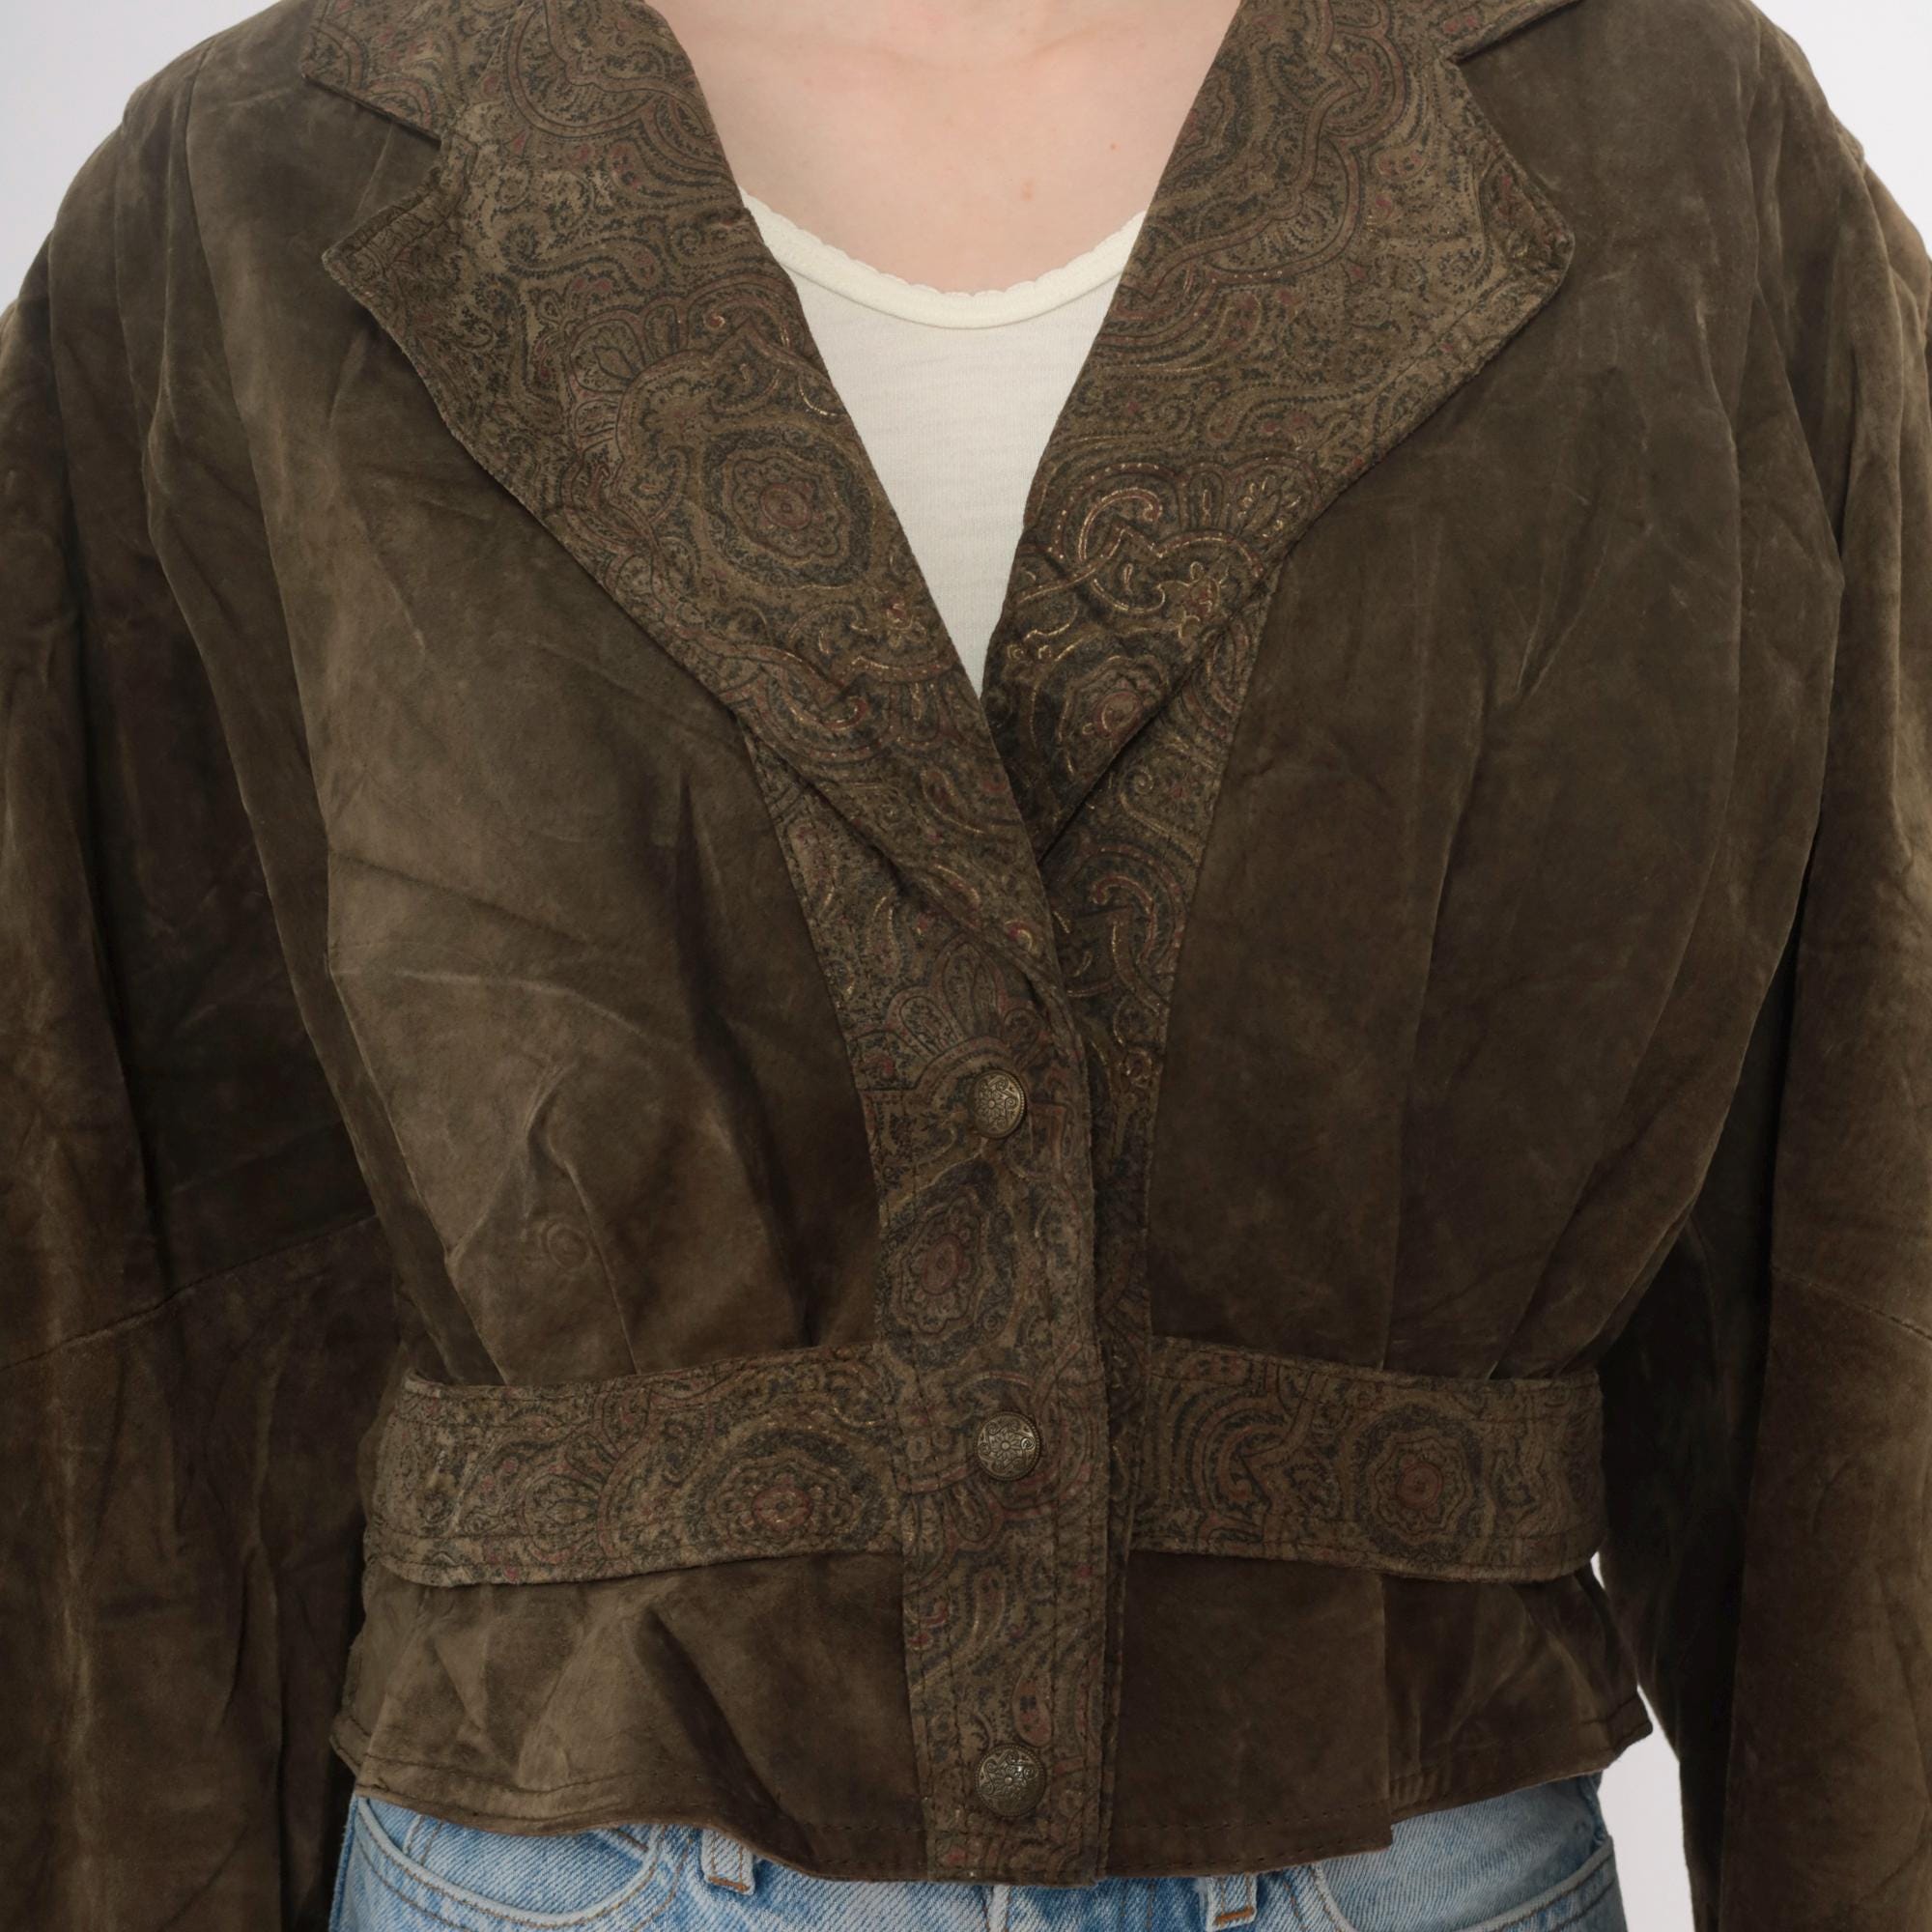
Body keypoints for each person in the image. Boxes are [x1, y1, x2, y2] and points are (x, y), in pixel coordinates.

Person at [3, 0, 1927, 1927]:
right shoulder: (259, 176)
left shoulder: (1664, 139)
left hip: (1398, 1838)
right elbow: (123, 1267)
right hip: (566, 1856)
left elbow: (1864, 1190)